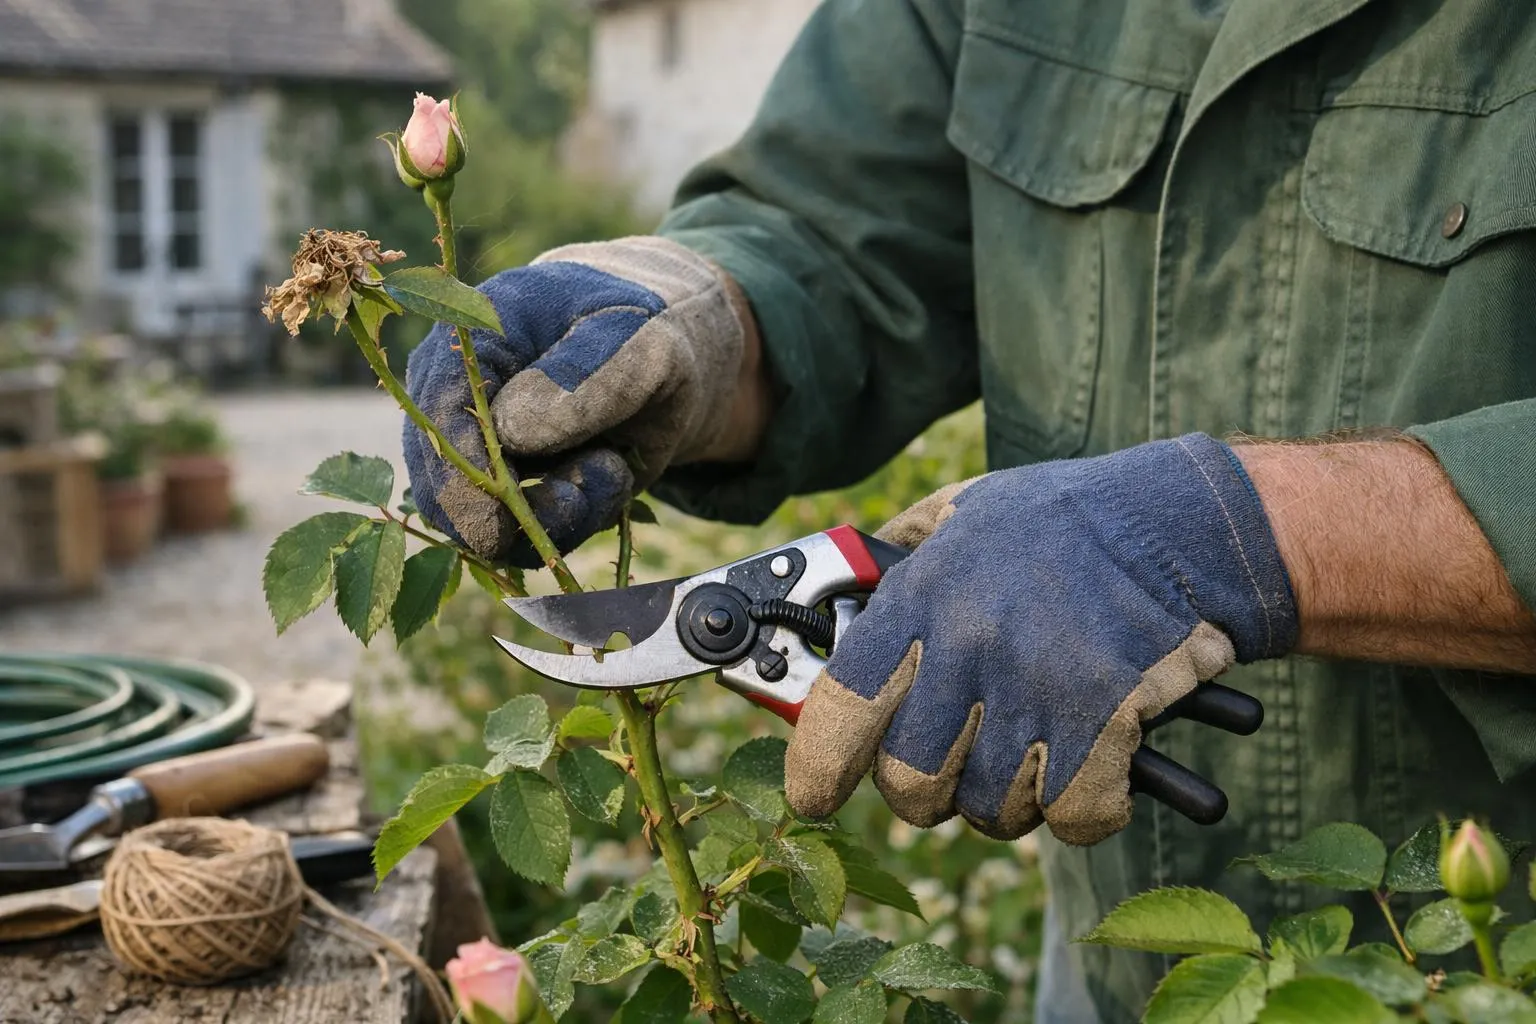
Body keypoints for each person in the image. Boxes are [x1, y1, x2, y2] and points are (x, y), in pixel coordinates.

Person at [402, 1, 1536, 1018]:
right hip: (1112, 963)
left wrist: (1251, 529)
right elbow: (842, 228)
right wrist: (688, 310)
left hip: (1481, 972)